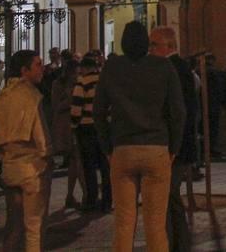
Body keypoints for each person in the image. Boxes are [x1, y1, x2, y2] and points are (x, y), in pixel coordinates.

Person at [94, 21, 185, 252]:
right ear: (146, 42)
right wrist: (174, 147)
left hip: (123, 148)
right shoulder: (163, 67)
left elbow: (98, 111)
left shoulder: (112, 68)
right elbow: (178, 112)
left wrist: (107, 147)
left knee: (124, 222)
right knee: (155, 224)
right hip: (156, 146)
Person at [0, 50, 53, 252]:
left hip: (10, 166)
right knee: (34, 227)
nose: (42, 68)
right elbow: (41, 136)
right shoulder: (31, 97)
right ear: (24, 70)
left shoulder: (3, 96)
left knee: (13, 225)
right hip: (32, 168)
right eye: (37, 65)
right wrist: (48, 157)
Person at [149, 27, 197, 252]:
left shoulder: (172, 68)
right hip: (178, 145)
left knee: (166, 197)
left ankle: (172, 244)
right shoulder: (178, 67)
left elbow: (178, 112)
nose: (150, 50)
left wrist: (173, 146)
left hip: (174, 147)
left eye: (153, 45)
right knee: (170, 198)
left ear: (168, 46)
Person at [72, 51, 111, 211]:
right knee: (105, 165)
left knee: (88, 165)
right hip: (103, 126)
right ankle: (108, 200)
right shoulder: (104, 80)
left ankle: (91, 199)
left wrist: (73, 125)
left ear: (84, 68)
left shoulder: (82, 82)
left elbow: (76, 107)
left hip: (86, 127)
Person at [50, 57, 83, 210]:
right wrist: (70, 98)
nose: (77, 76)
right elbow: (56, 106)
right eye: (75, 73)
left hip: (76, 125)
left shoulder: (79, 84)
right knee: (76, 160)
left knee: (76, 161)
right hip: (65, 125)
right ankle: (84, 194)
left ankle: (74, 195)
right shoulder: (58, 85)